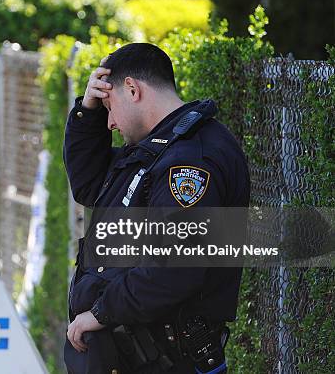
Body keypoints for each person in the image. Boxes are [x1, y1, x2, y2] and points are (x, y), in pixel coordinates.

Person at [63, 43, 250, 373]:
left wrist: (101, 312)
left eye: (109, 108)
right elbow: (91, 185)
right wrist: (88, 114)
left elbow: (175, 266)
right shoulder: (154, 150)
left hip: (166, 360)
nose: (110, 123)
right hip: (135, 355)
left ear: (132, 89)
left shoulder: (190, 160)